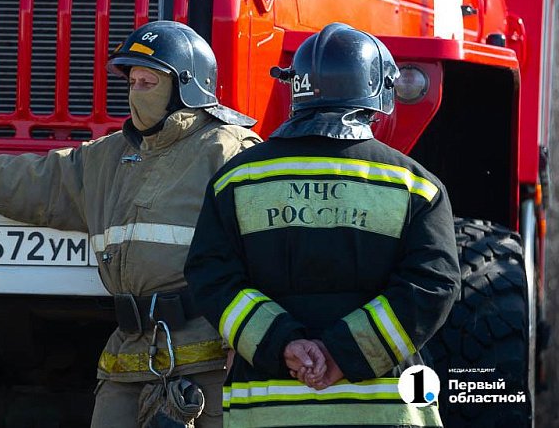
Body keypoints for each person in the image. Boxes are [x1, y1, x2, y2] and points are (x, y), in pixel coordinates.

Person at [0, 20, 261, 428]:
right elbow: (25, 181)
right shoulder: (107, 157)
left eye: (148, 83)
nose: (135, 94)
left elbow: (265, 254)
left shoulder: (228, 151)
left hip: (205, 364)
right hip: (128, 357)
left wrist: (248, 340)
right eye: (131, 82)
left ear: (185, 88)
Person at [184, 22, 461, 427]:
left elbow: (210, 277)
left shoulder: (236, 180)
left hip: (265, 411)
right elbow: (433, 284)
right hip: (382, 412)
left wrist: (286, 345)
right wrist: (339, 354)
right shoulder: (415, 185)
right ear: (377, 95)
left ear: (295, 91)